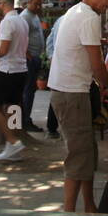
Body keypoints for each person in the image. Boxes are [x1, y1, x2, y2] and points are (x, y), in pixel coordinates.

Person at [48, 0, 108, 213]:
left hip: (70, 91)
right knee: (79, 154)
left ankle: (88, 205)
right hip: (72, 93)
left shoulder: (77, 11)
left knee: (86, 151)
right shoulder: (88, 17)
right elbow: (97, 65)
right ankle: (68, 211)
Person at [0, 0, 31, 162]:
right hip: (21, 69)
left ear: (4, 4)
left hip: (8, 70)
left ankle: (13, 141)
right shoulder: (22, 21)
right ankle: (14, 143)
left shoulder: (7, 22)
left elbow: (3, 50)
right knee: (13, 108)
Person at [19, 0, 45, 131]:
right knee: (28, 91)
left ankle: (26, 119)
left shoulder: (34, 15)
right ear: (28, 2)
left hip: (35, 57)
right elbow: (20, 38)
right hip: (29, 59)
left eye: (40, 4)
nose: (38, 7)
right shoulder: (25, 17)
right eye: (35, 4)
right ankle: (25, 121)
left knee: (31, 90)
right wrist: (27, 55)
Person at [44, 9, 66, 138]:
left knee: (57, 95)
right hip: (65, 65)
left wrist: (52, 57)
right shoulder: (70, 20)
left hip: (58, 64)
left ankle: (52, 128)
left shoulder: (60, 20)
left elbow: (49, 40)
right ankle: (52, 128)